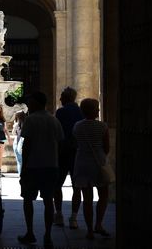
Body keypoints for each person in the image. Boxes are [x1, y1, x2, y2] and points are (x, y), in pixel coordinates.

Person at [17, 91, 64, 247]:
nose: (28, 105)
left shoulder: (31, 120)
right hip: (51, 165)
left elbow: (27, 146)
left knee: (28, 200)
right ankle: (48, 235)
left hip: (33, 166)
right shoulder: (54, 120)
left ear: (37, 103)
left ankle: (30, 232)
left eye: (30, 102)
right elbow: (61, 143)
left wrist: (23, 168)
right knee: (48, 201)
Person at [72, 98, 111, 240]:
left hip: (82, 163)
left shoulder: (77, 126)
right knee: (103, 195)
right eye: (97, 108)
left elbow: (77, 142)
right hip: (98, 163)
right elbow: (106, 148)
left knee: (87, 198)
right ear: (94, 111)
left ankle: (89, 230)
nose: (99, 110)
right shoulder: (103, 126)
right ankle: (98, 224)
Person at [53, 87, 84, 228]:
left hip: (62, 152)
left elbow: (57, 133)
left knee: (57, 185)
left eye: (61, 96)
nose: (59, 99)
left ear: (66, 98)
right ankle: (74, 218)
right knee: (76, 187)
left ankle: (58, 214)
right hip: (77, 152)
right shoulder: (81, 112)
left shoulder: (60, 112)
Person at [12, 110, 26, 175]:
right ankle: (21, 175)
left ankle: (21, 175)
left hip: (20, 141)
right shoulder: (17, 124)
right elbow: (14, 133)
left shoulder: (24, 124)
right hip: (17, 141)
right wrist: (15, 126)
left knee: (20, 161)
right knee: (20, 161)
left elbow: (15, 133)